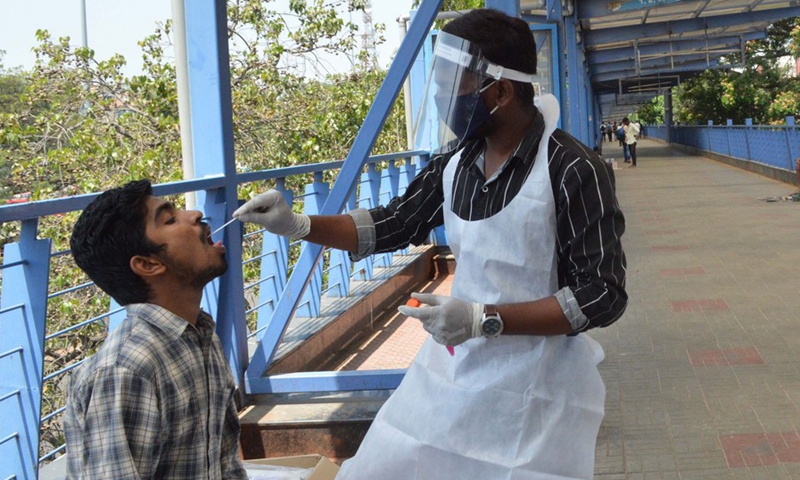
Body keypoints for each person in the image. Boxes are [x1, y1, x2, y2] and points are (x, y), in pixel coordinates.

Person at [235, 9, 626, 480]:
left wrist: (485, 319)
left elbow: (601, 295)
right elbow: (394, 223)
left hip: (535, 388)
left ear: (500, 91)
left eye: (451, 83)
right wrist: (299, 225)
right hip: (454, 365)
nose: (440, 96)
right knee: (389, 461)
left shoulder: (572, 170)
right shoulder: (455, 164)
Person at [64, 180, 247, 480]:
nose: (196, 214)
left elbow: (225, 463)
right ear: (148, 265)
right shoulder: (126, 370)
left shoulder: (201, 337)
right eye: (170, 219)